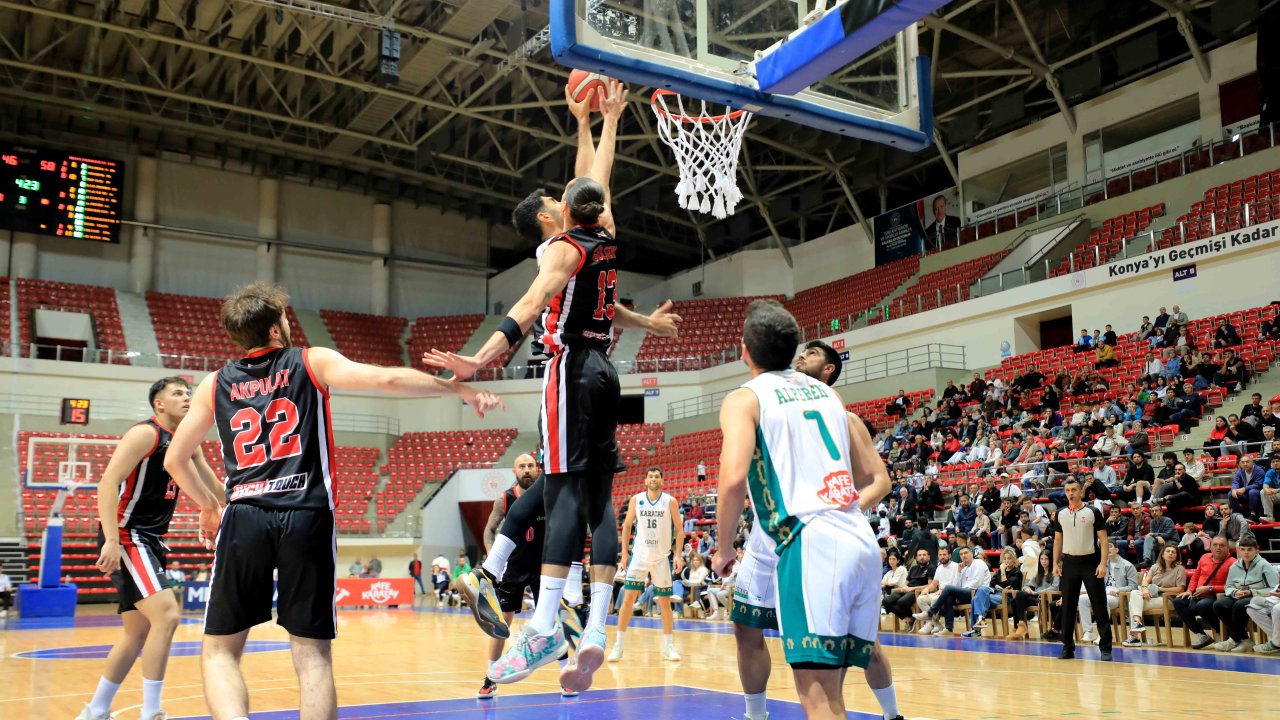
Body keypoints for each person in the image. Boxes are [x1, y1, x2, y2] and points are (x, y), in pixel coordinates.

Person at [431, 79, 680, 694]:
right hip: (606, 372)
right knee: (597, 497)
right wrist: (604, 121)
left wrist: (480, 360)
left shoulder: (560, 248)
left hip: (568, 370)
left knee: (563, 491)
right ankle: (594, 626)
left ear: (562, 213)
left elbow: (530, 300)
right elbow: (593, 179)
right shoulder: (606, 233)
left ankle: (543, 624)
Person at [165, 282, 502, 720]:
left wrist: (210, 506)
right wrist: (458, 390)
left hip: (244, 513)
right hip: (305, 514)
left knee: (220, 652)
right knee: (312, 657)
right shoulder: (310, 360)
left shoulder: (214, 384)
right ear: (273, 329)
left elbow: (176, 459)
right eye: (285, 318)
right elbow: (385, 378)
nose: (289, 324)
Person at [713, 300, 891, 720]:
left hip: (809, 540)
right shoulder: (830, 394)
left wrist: (723, 549)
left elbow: (734, 477)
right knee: (830, 690)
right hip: (857, 534)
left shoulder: (744, 398)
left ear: (745, 350)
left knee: (815, 694)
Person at [76, 377, 223, 720]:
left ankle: (95, 710)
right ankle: (152, 712)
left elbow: (214, 488)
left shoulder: (187, 441)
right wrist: (112, 539)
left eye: (189, 393)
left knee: (136, 633)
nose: (186, 397)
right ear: (159, 404)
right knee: (169, 615)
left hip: (152, 540)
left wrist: (241, 493)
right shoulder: (146, 433)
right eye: (177, 393)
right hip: (129, 534)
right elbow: (108, 482)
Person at [477, 453, 580, 699]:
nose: (527, 470)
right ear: (514, 470)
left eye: (531, 466)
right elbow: (489, 529)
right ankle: (492, 676)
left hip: (544, 567)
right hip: (513, 567)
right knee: (501, 622)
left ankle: (567, 677)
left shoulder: (549, 495)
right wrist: (494, 558)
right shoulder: (505, 499)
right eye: (522, 466)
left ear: (538, 469)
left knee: (553, 622)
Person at [610, 466, 685, 663]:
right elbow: (626, 526)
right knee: (627, 600)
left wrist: (678, 554)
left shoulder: (670, 501)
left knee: (664, 602)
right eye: (650, 476)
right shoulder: (637, 500)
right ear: (645, 481)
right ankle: (618, 645)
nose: (653, 479)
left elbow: (679, 530)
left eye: (657, 476)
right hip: (640, 556)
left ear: (662, 480)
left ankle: (668, 647)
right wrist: (624, 553)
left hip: (662, 557)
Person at [1051, 478, 1112, 661]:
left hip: (1090, 562)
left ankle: (1105, 648)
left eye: (1074, 490)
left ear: (1081, 492)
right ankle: (1067, 647)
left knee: (1099, 605)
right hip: (1069, 563)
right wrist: (1055, 563)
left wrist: (1102, 564)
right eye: (1067, 490)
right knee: (1068, 606)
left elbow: (1103, 540)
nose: (1070, 493)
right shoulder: (1061, 514)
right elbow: (1057, 541)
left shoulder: (1092, 511)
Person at [1209, 536, 1278, 652]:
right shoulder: (1234, 567)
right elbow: (1228, 586)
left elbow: (1275, 588)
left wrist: (1251, 592)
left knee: (1239, 605)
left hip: (1259, 598)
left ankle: (1233, 640)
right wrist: (1235, 592)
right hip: (1239, 595)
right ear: (1238, 550)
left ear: (1257, 550)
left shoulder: (1265, 565)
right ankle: (1245, 639)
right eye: (1243, 549)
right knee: (1218, 605)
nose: (1246, 553)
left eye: (1250, 549)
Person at [1173, 536, 1236, 649]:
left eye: (1222, 545)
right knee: (1178, 601)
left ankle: (1222, 631)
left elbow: (1232, 586)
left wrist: (1211, 588)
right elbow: (1196, 576)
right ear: (1210, 546)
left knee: (1202, 605)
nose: (1218, 548)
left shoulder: (1232, 562)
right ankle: (1201, 634)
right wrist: (1189, 590)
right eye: (1215, 545)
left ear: (1228, 548)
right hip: (1197, 594)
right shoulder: (1204, 557)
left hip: (1217, 596)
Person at [913, 546, 990, 637]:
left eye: (966, 553)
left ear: (972, 553)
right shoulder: (963, 568)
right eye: (961, 554)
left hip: (979, 593)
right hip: (967, 594)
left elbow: (977, 583)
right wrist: (958, 572)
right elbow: (958, 585)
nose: (963, 555)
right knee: (948, 596)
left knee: (948, 589)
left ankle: (930, 613)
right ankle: (948, 628)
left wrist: (958, 592)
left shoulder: (978, 563)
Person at [1124, 544, 1187, 646]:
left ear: (1176, 556)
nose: (1170, 553)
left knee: (1133, 603)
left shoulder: (1180, 569)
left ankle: (1134, 636)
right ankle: (1136, 625)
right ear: (1162, 554)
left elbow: (1180, 589)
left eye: (1173, 552)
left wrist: (1160, 589)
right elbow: (1146, 581)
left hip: (1168, 599)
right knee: (1134, 593)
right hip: (1152, 596)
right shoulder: (1155, 567)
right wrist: (1144, 589)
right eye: (1168, 551)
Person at [1077, 542, 1137, 645]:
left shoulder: (1127, 565)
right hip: (1103, 593)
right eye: (1105, 547)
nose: (1107, 549)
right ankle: (1088, 631)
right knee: (1082, 599)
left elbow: (1134, 586)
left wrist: (1119, 590)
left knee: (1103, 600)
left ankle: (1103, 634)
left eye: (1110, 546)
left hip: (1117, 596)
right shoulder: (1103, 564)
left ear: (1117, 550)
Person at [964, 547, 1021, 636]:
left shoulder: (1017, 572)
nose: (1006, 561)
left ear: (1014, 560)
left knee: (976, 599)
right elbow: (992, 582)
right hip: (995, 594)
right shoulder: (999, 571)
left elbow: (1007, 584)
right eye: (1005, 559)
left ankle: (976, 630)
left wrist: (1002, 572)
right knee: (981, 591)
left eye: (1009, 558)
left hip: (1007, 597)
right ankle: (979, 623)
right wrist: (998, 585)